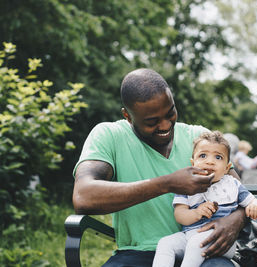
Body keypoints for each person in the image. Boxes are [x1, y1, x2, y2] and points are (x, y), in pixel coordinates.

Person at [72, 68, 247, 267]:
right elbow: (83, 197)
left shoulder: (200, 139)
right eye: (152, 121)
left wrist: (236, 221)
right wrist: (167, 184)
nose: (165, 125)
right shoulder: (109, 136)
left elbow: (239, 189)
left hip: (204, 251)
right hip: (137, 254)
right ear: (128, 116)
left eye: (170, 113)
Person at [152, 131, 257, 267]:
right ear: (193, 162)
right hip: (189, 235)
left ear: (227, 167)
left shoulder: (232, 184)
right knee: (165, 243)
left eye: (218, 157)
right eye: (203, 155)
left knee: (196, 243)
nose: (210, 161)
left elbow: (250, 200)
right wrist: (196, 213)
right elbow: (180, 215)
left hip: (221, 241)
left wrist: (255, 204)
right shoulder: (187, 185)